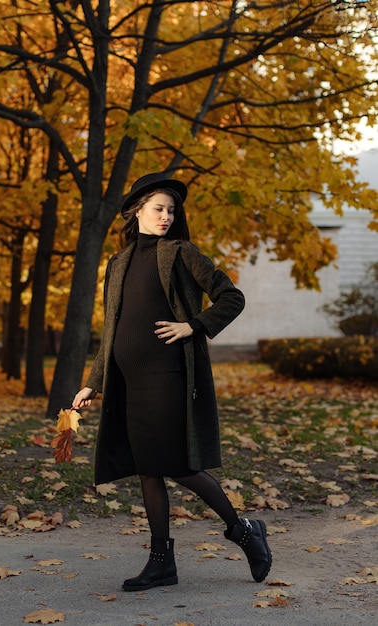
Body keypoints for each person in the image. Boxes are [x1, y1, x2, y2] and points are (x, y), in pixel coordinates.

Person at [72, 172, 272, 591]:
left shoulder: (180, 253)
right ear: (136, 211)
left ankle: (243, 530)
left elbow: (231, 297)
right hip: (129, 382)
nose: (166, 216)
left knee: (178, 466)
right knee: (148, 470)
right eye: (158, 208)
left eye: (171, 210)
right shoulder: (119, 263)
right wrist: (93, 382)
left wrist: (193, 326)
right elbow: (112, 330)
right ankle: (162, 562)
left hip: (167, 377)